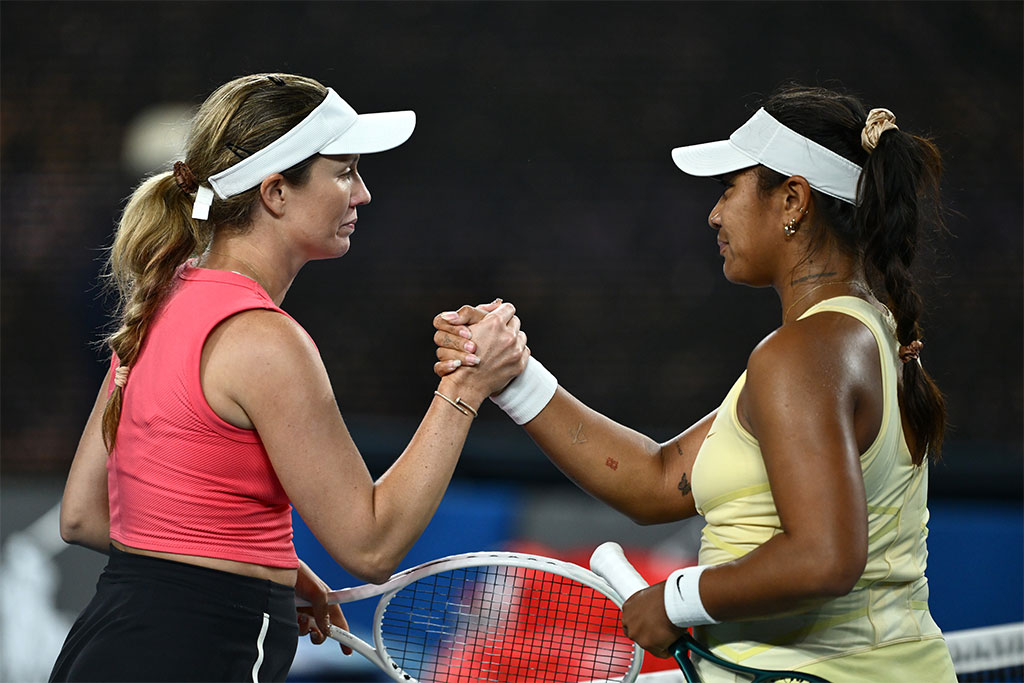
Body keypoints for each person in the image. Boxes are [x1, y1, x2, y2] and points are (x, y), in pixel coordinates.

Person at [434, 84, 956, 681]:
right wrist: (515, 377)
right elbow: (656, 481)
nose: (714, 213)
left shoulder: (803, 355)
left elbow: (825, 558)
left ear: (792, 200)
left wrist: (676, 598)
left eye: (728, 188)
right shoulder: (868, 333)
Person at [52, 73, 527, 682]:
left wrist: (267, 561)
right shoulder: (265, 340)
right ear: (276, 192)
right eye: (345, 171)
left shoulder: (157, 304)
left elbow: (84, 516)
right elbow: (370, 545)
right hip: (199, 652)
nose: (363, 195)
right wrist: (465, 384)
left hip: (104, 643)